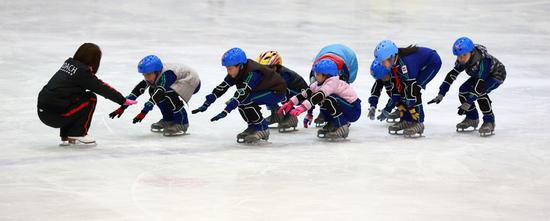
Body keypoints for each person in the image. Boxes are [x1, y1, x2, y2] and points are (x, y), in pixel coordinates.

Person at [37, 43, 137, 146]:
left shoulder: (69, 65)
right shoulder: (83, 72)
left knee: (75, 97)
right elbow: (102, 88)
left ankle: (67, 135)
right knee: (90, 98)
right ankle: (78, 133)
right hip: (54, 116)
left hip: (43, 111)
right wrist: (122, 100)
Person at [192, 48, 287, 143]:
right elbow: (222, 87)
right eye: (226, 68)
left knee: (245, 99)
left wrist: (225, 111)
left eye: (230, 68)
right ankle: (253, 127)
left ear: (240, 66)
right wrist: (206, 104)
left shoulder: (253, 73)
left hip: (276, 92)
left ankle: (262, 128)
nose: (228, 71)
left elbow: (243, 92)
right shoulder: (236, 72)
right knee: (242, 101)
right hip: (262, 90)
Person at [428, 37, 506, 136]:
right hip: (479, 76)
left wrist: (468, 102)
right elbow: (451, 75)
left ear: (472, 52)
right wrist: (441, 94)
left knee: (480, 93)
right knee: (463, 90)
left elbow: (480, 83)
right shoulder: (463, 60)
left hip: (495, 75)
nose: (461, 59)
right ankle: (472, 118)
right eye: (458, 56)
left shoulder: (483, 61)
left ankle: (489, 121)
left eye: (464, 55)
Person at [109, 55, 201, 136]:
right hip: (178, 80)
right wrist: (122, 107)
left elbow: (159, 92)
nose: (146, 77)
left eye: (148, 74)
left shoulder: (167, 75)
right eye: (144, 75)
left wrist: (143, 112)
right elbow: (137, 91)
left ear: (157, 72)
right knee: (153, 90)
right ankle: (169, 119)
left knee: (168, 94)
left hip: (190, 81)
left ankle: (182, 123)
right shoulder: (154, 74)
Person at [373, 40, 442, 137]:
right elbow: (396, 90)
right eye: (382, 62)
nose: (383, 65)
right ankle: (407, 120)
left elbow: (410, 89)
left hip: (432, 63)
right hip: (415, 66)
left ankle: (419, 122)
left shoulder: (405, 65)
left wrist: (409, 104)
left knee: (414, 91)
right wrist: (388, 108)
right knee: (403, 91)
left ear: (393, 56)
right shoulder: (394, 63)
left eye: (385, 61)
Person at [279, 59, 361, 140]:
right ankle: (333, 123)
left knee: (327, 100)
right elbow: (306, 93)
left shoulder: (332, 82)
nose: (315, 76)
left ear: (326, 75)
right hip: (345, 108)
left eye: (318, 74)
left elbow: (320, 95)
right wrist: (291, 102)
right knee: (324, 101)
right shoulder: (318, 84)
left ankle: (342, 126)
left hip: (353, 109)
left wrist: (303, 107)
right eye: (315, 73)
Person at [256, 50, 308, 132]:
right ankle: (276, 114)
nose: (266, 71)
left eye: (269, 68)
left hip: (302, 95)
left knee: (281, 90)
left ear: (276, 67)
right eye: (263, 68)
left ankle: (290, 115)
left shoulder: (284, 74)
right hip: (291, 94)